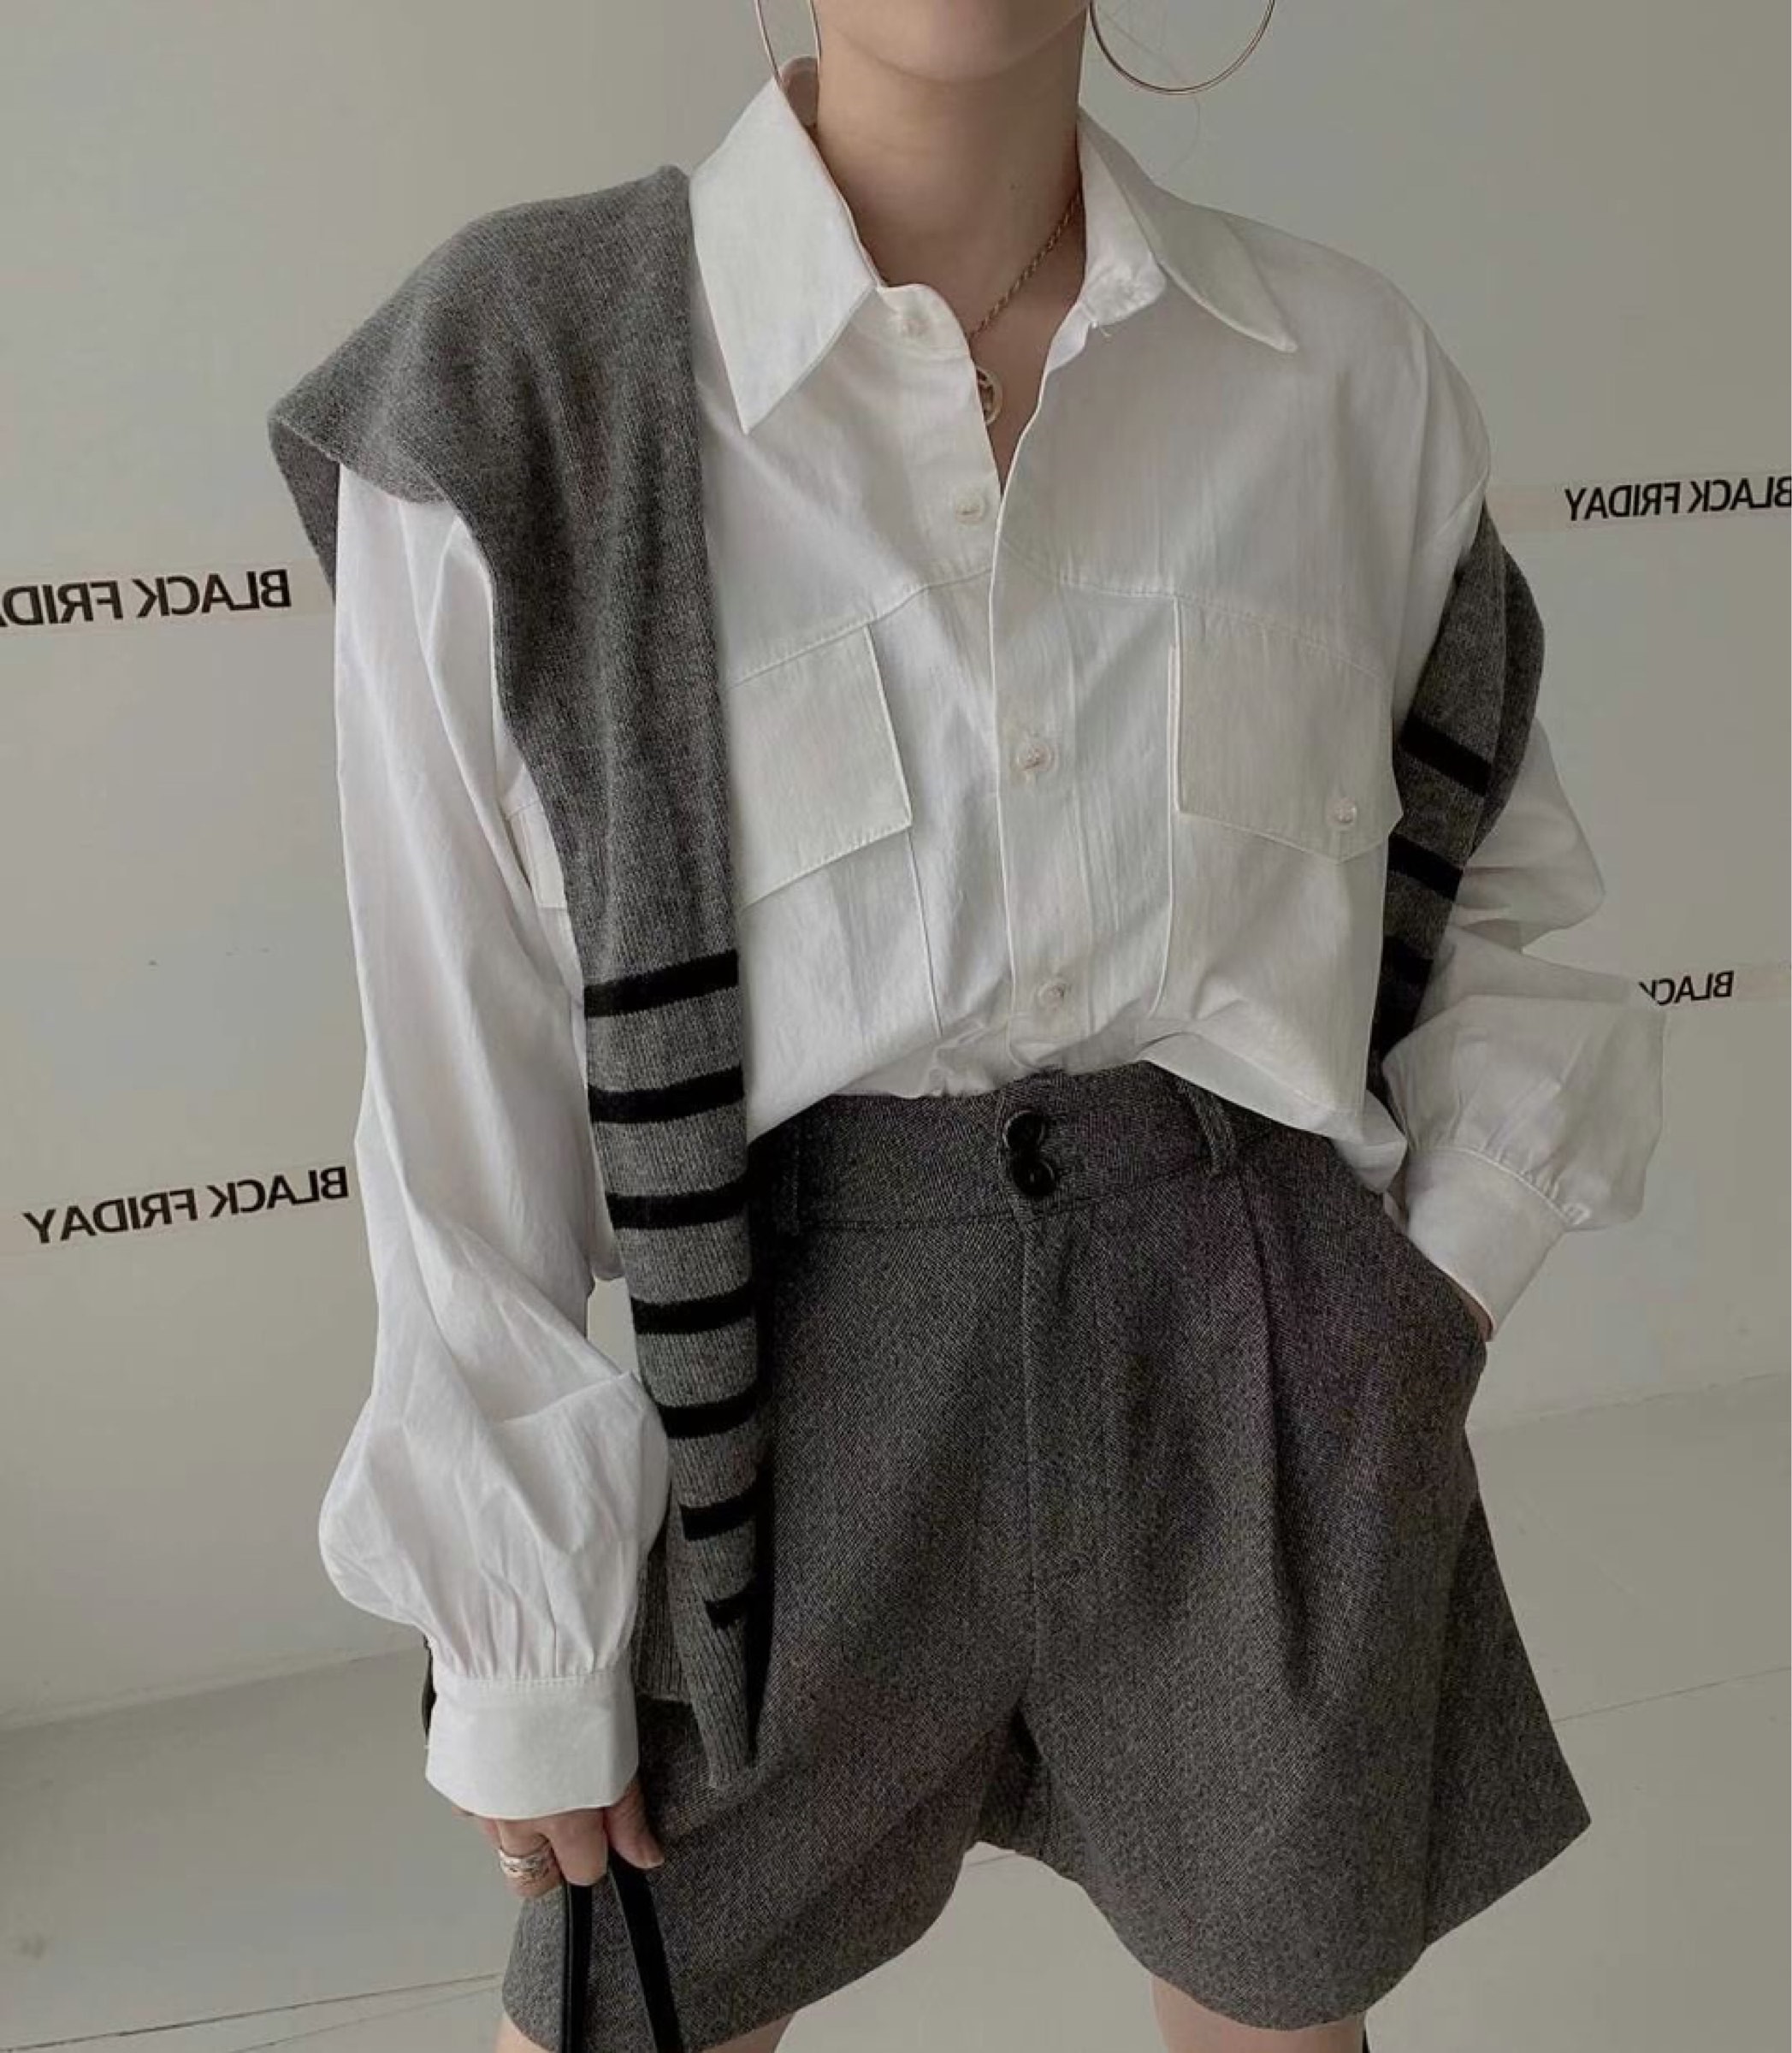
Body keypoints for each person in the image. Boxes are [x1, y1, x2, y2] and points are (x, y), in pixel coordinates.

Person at [312, 6, 1666, 2050]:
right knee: (619, 2015)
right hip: (781, 1384)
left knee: (1275, 2011)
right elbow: (455, 1062)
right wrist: (517, 1640)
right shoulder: (530, 376)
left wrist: (1409, 1318)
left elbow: (1501, 897)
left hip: (1248, 1355)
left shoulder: (1335, 373)